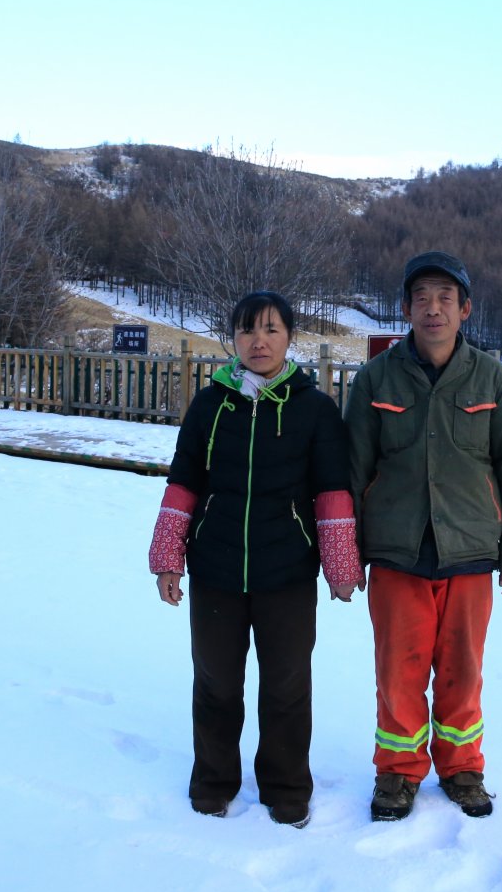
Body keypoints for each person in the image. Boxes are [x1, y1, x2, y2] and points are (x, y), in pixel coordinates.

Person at [148, 290, 363, 829]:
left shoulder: (313, 408)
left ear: (290, 337)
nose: (258, 340)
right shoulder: (210, 405)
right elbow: (184, 482)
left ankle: (287, 787)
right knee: (216, 682)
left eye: (270, 329)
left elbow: (332, 491)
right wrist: (168, 556)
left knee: (287, 686)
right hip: (216, 569)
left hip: (286, 573)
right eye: (247, 330)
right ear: (234, 339)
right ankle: (214, 782)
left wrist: (340, 567)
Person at [344, 250, 502, 821]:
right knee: (397, 671)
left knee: (463, 669)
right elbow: (351, 471)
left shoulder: (492, 379)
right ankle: (398, 774)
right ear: (406, 308)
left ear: (465, 310)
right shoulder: (377, 378)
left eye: (445, 299)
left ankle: (462, 768)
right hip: (396, 552)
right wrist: (345, 551)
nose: (433, 310)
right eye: (422, 299)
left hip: (471, 550)